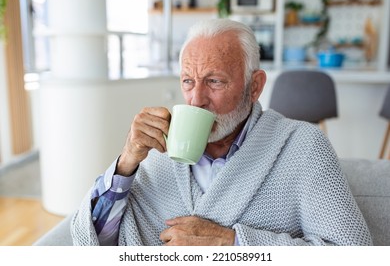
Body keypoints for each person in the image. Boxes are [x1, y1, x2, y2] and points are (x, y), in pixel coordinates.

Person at [71, 19, 372, 246]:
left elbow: (352, 252)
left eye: (214, 81)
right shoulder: (157, 155)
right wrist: (125, 164)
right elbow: (96, 241)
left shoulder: (304, 146)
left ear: (254, 86)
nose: (196, 99)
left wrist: (231, 243)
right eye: (188, 81)